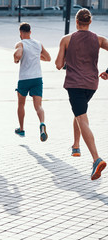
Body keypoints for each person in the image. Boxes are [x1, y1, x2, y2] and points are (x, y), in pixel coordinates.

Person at [55, 9, 108, 180]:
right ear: (90, 22)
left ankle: (96, 159)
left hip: (75, 84)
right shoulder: (99, 39)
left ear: (76, 22)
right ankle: (76, 145)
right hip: (91, 85)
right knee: (80, 113)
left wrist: (66, 55)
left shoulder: (66, 39)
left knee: (82, 119)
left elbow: (58, 64)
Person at [13, 22, 51, 141]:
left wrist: (16, 58)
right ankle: (42, 123)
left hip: (24, 79)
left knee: (21, 104)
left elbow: (18, 54)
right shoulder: (38, 43)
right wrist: (36, 56)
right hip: (37, 78)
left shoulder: (20, 43)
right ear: (30, 32)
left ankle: (22, 128)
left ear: (20, 33)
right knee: (38, 106)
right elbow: (48, 58)